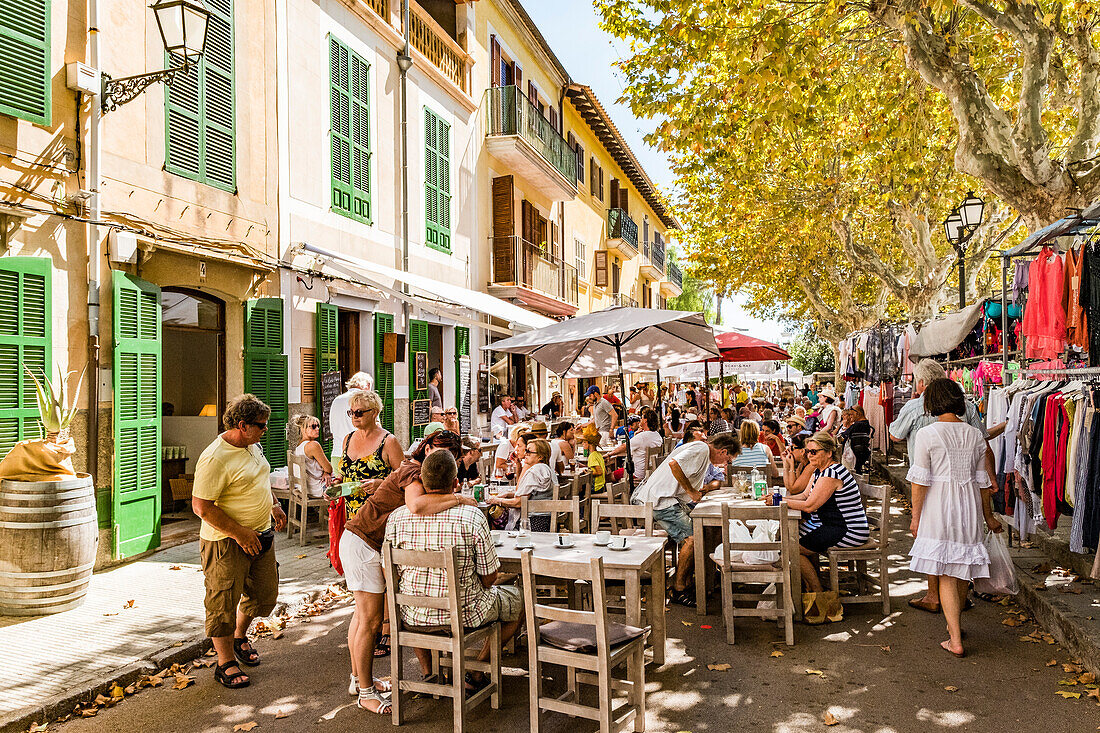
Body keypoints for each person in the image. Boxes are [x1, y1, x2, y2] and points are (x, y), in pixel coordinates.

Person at [340, 429, 469, 712]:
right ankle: (366, 694)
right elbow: (417, 504)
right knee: (371, 623)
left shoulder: (419, 470)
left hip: (364, 543)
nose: (443, 457)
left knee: (362, 618)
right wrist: (461, 500)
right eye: (438, 450)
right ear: (426, 449)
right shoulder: (412, 470)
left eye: (450, 454)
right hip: (363, 544)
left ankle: (358, 679)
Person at [385, 450, 524, 694]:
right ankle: (477, 670)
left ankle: (429, 673)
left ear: (422, 482)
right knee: (519, 600)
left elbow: (391, 573)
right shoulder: (471, 516)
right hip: (463, 615)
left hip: (412, 616)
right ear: (456, 482)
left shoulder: (397, 518)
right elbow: (489, 578)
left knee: (418, 590)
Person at [890, 359, 1003, 614]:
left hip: (935, 495)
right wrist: (988, 512)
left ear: (922, 385)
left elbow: (899, 441)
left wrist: (915, 518)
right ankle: (956, 607)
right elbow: (983, 457)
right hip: (968, 496)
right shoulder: (971, 418)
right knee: (961, 555)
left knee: (937, 552)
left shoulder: (918, 417)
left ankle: (937, 599)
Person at [192, 394, 288, 690]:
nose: (266, 430)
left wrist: (273, 504)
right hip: (226, 542)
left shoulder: (253, 445)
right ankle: (225, 663)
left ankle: (238, 636)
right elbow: (202, 507)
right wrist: (239, 533)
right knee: (222, 603)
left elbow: (261, 478)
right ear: (242, 425)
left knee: (265, 595)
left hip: (261, 535)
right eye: (261, 425)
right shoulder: (215, 458)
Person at [907, 379, 1003, 657]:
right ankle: (955, 627)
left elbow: (919, 481)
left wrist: (915, 517)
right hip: (968, 503)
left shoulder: (928, 434)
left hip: (939, 504)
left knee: (947, 571)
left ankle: (955, 639)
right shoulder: (974, 434)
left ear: (931, 403)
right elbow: (982, 480)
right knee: (961, 566)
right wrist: (987, 516)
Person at [765, 431, 869, 623]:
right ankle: (808, 588)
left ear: (829, 453)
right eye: (808, 452)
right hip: (831, 525)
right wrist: (776, 498)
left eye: (814, 452)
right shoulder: (820, 471)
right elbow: (804, 496)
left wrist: (779, 500)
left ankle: (818, 594)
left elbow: (809, 505)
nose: (809, 455)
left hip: (848, 529)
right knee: (790, 539)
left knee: (791, 547)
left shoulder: (832, 472)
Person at [631, 432, 741, 606]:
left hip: (669, 499)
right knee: (693, 539)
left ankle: (694, 580)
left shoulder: (702, 451)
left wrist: (698, 491)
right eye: (728, 460)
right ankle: (679, 588)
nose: (725, 465)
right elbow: (674, 464)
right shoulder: (701, 448)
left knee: (701, 533)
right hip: (662, 500)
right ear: (724, 451)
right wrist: (690, 491)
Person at [335, 391, 404, 520]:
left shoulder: (388, 441)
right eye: (351, 412)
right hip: (351, 515)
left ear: (374, 412)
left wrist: (381, 484)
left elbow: (404, 477)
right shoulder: (348, 439)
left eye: (359, 412)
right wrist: (337, 483)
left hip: (377, 514)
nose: (354, 416)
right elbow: (345, 472)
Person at [487, 437, 555, 530]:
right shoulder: (548, 469)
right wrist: (507, 494)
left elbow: (518, 503)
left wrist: (496, 500)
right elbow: (529, 494)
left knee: (493, 523)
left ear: (540, 457)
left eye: (529, 452)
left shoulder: (534, 471)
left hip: (532, 523)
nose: (525, 453)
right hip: (546, 519)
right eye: (526, 450)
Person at [608, 410, 664, 482]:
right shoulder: (657, 435)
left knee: (610, 476)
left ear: (645, 421)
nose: (640, 420)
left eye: (642, 418)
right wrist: (635, 435)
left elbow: (624, 446)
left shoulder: (642, 437)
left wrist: (609, 454)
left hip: (636, 473)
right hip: (651, 471)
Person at [330, 372, 375, 461]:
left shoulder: (337, 400)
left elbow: (332, 429)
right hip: (359, 456)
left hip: (337, 454)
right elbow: (375, 430)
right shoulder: (366, 401)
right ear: (367, 385)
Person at [289, 414, 333, 498]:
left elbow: (326, 470)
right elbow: (329, 468)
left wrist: (325, 472)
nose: (317, 429)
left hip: (306, 488)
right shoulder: (313, 445)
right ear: (303, 429)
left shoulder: (299, 446)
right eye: (313, 426)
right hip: (318, 488)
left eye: (318, 426)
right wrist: (326, 471)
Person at [838, 406, 874, 474]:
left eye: (851, 414)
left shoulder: (857, 425)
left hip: (855, 455)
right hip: (862, 452)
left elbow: (843, 436)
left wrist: (844, 426)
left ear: (858, 414)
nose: (850, 416)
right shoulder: (865, 423)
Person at [579, 424, 606, 494]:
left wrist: (587, 472)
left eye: (584, 442)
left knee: (578, 492)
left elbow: (599, 472)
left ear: (590, 444)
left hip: (595, 488)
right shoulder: (598, 454)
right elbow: (604, 471)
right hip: (601, 486)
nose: (582, 444)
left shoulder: (592, 456)